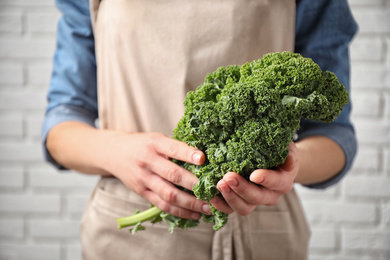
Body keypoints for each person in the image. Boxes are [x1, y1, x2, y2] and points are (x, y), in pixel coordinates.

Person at [42, 0, 358, 259]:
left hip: (261, 235)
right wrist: (119, 152)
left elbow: (335, 135)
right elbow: (62, 122)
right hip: (128, 243)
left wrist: (287, 166)